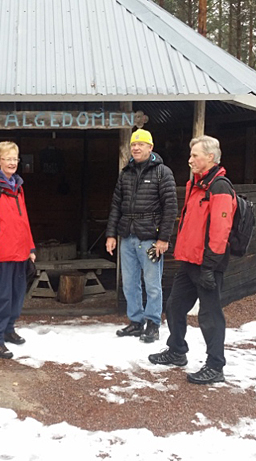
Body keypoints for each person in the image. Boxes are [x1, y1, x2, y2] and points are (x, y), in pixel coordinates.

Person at [148, 136, 236, 385]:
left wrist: (209, 266)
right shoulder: (195, 184)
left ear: (210, 157)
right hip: (189, 261)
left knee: (210, 316)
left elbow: (220, 231)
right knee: (175, 306)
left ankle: (215, 366)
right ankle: (177, 351)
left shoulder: (219, 187)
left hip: (208, 264)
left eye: (195, 155)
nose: (190, 160)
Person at [105, 129, 177, 343]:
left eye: (140, 144)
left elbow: (171, 207)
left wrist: (163, 239)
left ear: (150, 147)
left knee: (152, 283)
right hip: (127, 235)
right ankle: (136, 322)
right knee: (129, 283)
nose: (135, 148)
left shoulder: (163, 172)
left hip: (150, 238)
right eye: (133, 144)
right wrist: (111, 234)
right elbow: (116, 205)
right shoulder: (125, 172)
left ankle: (153, 323)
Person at [0, 141, 36, 359]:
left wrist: (30, 246)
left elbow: (24, 220)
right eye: (8, 158)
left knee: (17, 296)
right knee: (0, 298)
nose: (12, 163)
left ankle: (8, 330)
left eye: (15, 159)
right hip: (0, 254)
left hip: (20, 252)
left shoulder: (18, 186)